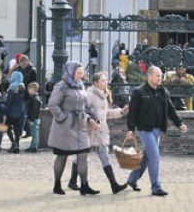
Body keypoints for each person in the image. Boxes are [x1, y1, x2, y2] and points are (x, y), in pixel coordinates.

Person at [126, 66, 187, 196]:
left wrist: (179, 123)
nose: (160, 78)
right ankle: (156, 187)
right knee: (154, 156)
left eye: (161, 76)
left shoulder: (163, 92)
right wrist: (131, 128)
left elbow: (171, 110)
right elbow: (132, 112)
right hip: (145, 130)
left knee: (147, 157)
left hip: (157, 130)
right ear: (149, 76)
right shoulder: (139, 92)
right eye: (157, 76)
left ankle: (132, 179)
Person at [68, 71, 128, 194]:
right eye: (102, 80)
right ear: (95, 82)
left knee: (104, 156)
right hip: (88, 130)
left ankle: (114, 185)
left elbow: (106, 114)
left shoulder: (103, 95)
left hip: (101, 131)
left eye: (106, 80)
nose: (106, 82)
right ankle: (75, 182)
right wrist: (90, 121)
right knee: (81, 157)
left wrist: (121, 111)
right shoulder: (89, 94)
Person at [48, 61, 100, 196]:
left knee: (83, 154)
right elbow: (53, 104)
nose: (81, 76)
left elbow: (85, 106)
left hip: (80, 125)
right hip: (64, 127)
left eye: (82, 73)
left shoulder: (80, 85)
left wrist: (91, 117)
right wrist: (63, 118)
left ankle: (84, 185)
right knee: (62, 156)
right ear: (71, 72)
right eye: (78, 73)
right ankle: (57, 184)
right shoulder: (61, 86)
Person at [11, 55, 37, 138]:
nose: (24, 65)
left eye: (25, 63)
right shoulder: (17, 69)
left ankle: (19, 132)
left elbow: (34, 83)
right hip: (18, 93)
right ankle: (28, 131)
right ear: (20, 63)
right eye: (22, 63)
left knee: (23, 114)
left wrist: (31, 92)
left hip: (27, 94)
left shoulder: (32, 71)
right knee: (22, 114)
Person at [4, 71, 26, 153]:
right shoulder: (23, 88)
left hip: (11, 112)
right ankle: (17, 145)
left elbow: (8, 103)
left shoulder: (12, 88)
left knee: (8, 128)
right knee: (17, 130)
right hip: (20, 113)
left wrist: (5, 113)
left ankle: (13, 143)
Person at [25, 81, 41, 153]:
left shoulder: (34, 99)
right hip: (36, 118)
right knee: (34, 133)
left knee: (34, 133)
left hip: (34, 119)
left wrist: (31, 120)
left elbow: (33, 111)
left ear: (32, 89)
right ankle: (32, 146)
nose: (28, 91)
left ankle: (34, 147)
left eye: (29, 89)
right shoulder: (37, 98)